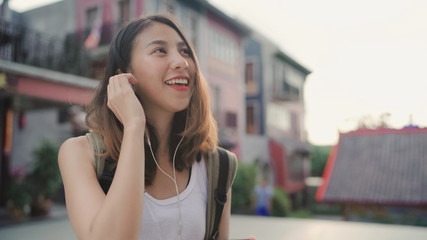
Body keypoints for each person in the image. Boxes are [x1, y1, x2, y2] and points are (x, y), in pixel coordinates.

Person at [58, 15, 236, 240]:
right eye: (160, 51)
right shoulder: (80, 154)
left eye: (185, 51)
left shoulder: (217, 165)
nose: (182, 62)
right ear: (123, 75)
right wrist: (134, 126)